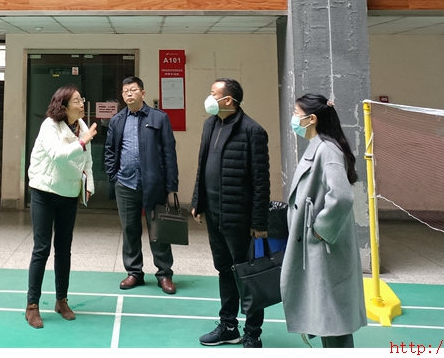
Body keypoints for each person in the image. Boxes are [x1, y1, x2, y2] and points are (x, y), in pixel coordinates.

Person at [281, 93, 367, 348]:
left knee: (332, 316)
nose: (293, 119)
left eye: (296, 114)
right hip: (319, 248)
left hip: (324, 248)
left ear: (312, 119)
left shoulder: (326, 150)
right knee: (327, 315)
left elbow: (341, 196)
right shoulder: (320, 146)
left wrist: (320, 229)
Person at [191, 78, 271, 348]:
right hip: (215, 214)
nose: (209, 98)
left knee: (247, 275)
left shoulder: (252, 131)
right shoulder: (210, 125)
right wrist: (198, 201)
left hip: (240, 218)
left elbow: (261, 182)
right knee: (224, 270)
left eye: (213, 93)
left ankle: (253, 333)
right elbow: (203, 166)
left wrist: (259, 222)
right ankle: (228, 326)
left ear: (228, 100)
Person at [25, 85, 97, 329]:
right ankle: (32, 306)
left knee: (64, 249)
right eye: (76, 100)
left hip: (68, 193)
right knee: (41, 249)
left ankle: (61, 300)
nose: (82, 103)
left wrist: (89, 185)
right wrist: (83, 142)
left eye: (81, 99)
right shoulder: (49, 126)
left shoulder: (82, 127)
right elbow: (57, 155)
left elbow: (88, 161)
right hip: (44, 192)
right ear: (63, 106)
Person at [104, 76, 180, 294]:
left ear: (143, 93)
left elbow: (169, 152)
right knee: (130, 230)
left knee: (158, 230)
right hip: (125, 184)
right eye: (125, 91)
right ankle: (134, 272)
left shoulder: (159, 118)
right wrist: (114, 176)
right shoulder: (117, 120)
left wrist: (171, 185)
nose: (129, 93)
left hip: (154, 184)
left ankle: (164, 274)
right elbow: (109, 151)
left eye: (133, 89)